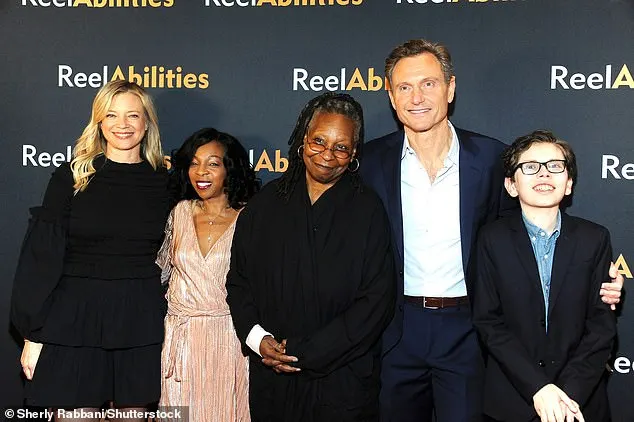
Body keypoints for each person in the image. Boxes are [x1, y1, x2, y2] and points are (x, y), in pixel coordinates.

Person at [360, 39, 624, 422]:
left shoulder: (491, 159)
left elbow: (524, 241)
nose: (417, 96)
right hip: (394, 331)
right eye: (404, 87)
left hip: (468, 331)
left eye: (429, 84)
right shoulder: (368, 163)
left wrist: (599, 282)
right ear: (390, 95)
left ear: (450, 89)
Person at [226, 92, 396, 422]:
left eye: (341, 147)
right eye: (319, 140)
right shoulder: (266, 204)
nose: (327, 155)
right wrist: (258, 338)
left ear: (354, 154)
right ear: (304, 138)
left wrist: (306, 351)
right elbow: (238, 280)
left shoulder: (368, 211)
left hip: (342, 381)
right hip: (273, 377)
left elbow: (376, 302)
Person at [10, 80, 171, 421]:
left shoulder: (166, 182)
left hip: (138, 319)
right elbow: (41, 259)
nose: (122, 125)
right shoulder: (71, 177)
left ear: (147, 123)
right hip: (73, 319)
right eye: (111, 115)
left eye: (132, 115)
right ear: (99, 122)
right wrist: (34, 335)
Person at [472, 130, 616, 422]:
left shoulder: (595, 238)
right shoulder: (491, 239)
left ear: (569, 183)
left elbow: (601, 326)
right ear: (511, 185)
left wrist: (567, 394)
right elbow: (489, 322)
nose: (544, 174)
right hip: (513, 401)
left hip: (579, 402)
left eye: (555, 165)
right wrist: (539, 388)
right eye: (530, 167)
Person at [156, 128, 259, 422]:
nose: (201, 172)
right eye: (194, 162)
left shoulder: (249, 218)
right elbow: (162, 273)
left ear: (230, 169)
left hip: (229, 340)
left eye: (213, 163)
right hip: (181, 341)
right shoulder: (179, 213)